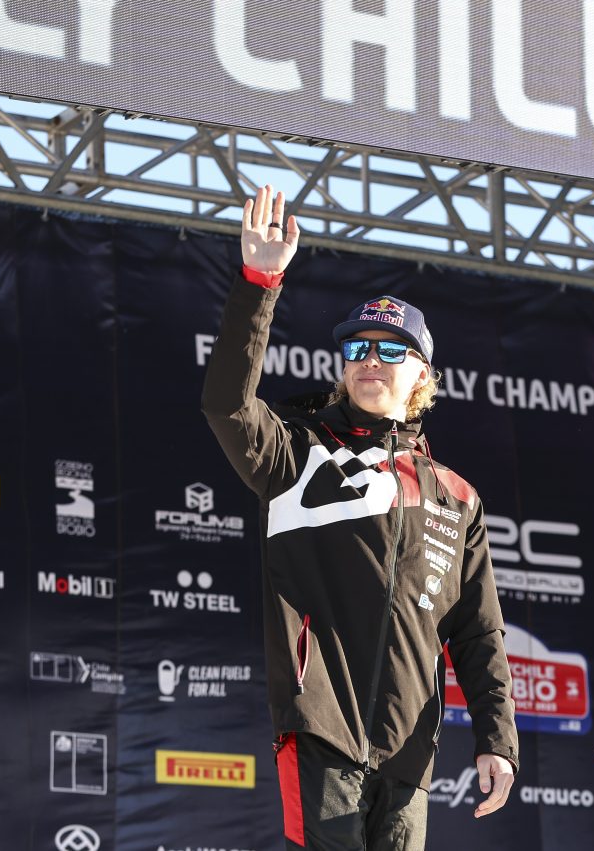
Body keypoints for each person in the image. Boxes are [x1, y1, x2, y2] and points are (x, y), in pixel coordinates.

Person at [201, 185, 519, 850]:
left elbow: (479, 633)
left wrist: (498, 740)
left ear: (422, 374)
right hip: (320, 728)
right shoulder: (297, 453)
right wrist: (259, 283)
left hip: (410, 752)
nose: (370, 361)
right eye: (357, 349)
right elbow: (226, 405)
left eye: (391, 350)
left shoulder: (456, 497)